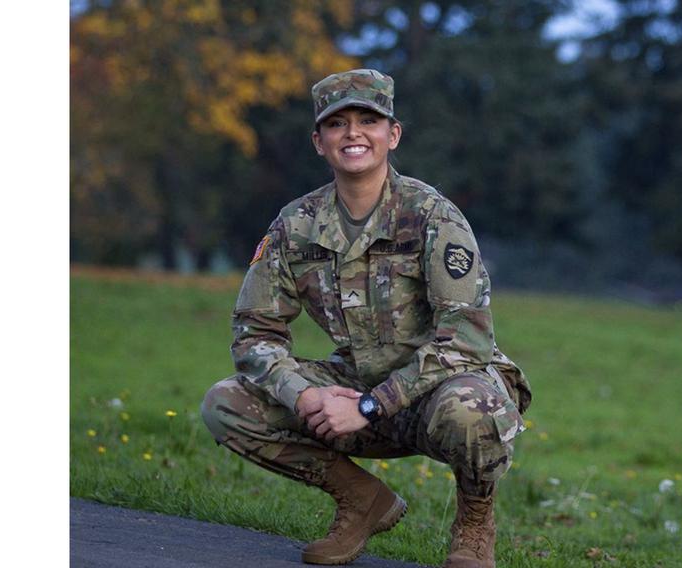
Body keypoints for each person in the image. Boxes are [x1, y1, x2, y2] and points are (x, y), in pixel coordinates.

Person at [201, 69, 532, 568]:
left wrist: (374, 406)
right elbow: (255, 333)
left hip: (436, 392)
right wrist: (306, 394)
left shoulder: (433, 216)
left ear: (392, 134)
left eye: (368, 120)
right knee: (226, 403)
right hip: (353, 384)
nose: (353, 133)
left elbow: (466, 340)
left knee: (475, 409)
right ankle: (361, 500)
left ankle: (475, 521)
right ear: (319, 141)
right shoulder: (295, 226)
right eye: (337, 124)